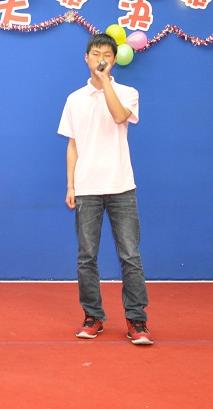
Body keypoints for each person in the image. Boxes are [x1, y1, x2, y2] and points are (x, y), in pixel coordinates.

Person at [57, 33, 154, 346]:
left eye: (107, 55)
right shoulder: (74, 99)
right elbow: (72, 145)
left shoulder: (127, 92)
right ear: (86, 58)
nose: (101, 59)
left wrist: (105, 82)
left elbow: (119, 116)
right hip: (87, 188)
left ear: (114, 60)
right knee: (87, 256)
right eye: (96, 53)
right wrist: (71, 185)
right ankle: (93, 316)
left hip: (121, 186)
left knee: (130, 255)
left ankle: (136, 319)